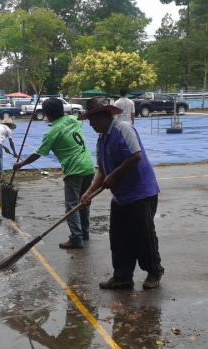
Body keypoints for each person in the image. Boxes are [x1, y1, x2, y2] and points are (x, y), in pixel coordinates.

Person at [79, 97, 163, 290]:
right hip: (121, 196)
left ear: (104, 116)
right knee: (118, 238)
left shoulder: (123, 129)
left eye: (92, 120)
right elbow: (101, 170)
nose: (91, 125)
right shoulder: (102, 140)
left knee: (143, 237)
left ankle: (154, 272)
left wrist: (114, 176)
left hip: (141, 192)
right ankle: (122, 276)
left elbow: (135, 156)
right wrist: (89, 193)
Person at [13, 97, 95, 249]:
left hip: (74, 169)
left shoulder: (52, 133)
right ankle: (84, 233)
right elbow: (75, 121)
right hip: (89, 166)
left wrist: (21, 164)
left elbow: (38, 154)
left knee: (72, 205)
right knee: (83, 202)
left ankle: (76, 238)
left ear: (46, 114)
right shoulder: (71, 119)